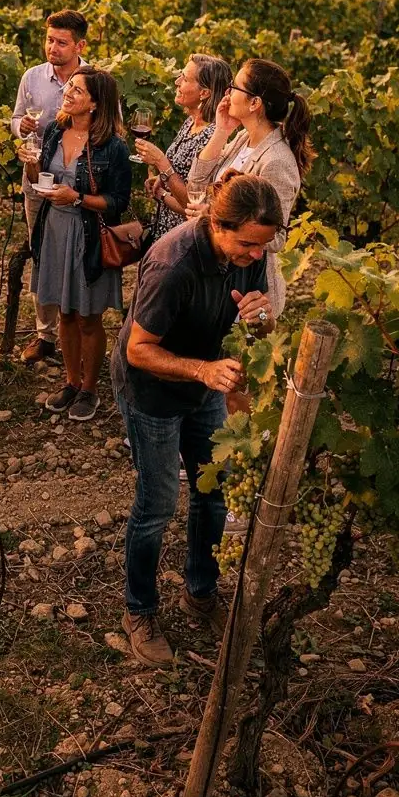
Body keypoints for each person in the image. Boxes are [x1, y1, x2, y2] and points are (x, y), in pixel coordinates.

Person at [111, 173, 282, 666]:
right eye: (248, 245)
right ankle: (138, 611)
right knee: (158, 503)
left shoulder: (251, 251)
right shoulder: (173, 264)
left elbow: (260, 325)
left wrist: (261, 317)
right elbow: (140, 350)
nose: (256, 256)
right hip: (153, 391)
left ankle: (200, 592)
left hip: (205, 382)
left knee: (213, 492)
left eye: (262, 247)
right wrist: (203, 370)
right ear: (216, 224)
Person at [20, 67, 131, 422]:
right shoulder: (54, 130)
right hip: (54, 229)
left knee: (87, 317)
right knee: (64, 312)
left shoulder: (113, 147)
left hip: (87, 236)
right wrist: (33, 166)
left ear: (95, 103)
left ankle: (89, 389)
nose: (67, 93)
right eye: (69, 87)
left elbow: (118, 202)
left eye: (77, 91)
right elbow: (41, 180)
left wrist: (78, 197)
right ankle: (71, 381)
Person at [185, 58, 313, 316]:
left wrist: (212, 217)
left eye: (235, 87)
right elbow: (196, 185)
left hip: (249, 289)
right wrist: (221, 131)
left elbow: (275, 237)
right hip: (223, 272)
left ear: (255, 103)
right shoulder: (244, 138)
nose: (228, 92)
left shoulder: (277, 162)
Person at [11, 10, 88, 364]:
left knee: (76, 258)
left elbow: (106, 129)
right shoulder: (32, 77)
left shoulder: (94, 81)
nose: (52, 48)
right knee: (42, 256)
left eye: (61, 42)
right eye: (49, 40)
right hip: (38, 180)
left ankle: (78, 333)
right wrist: (21, 127)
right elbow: (15, 120)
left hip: (77, 185)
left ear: (80, 45)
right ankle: (46, 336)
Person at [133, 53, 231, 244]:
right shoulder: (190, 123)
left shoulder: (212, 137)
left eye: (185, 78)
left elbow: (193, 204)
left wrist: (161, 165)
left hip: (184, 238)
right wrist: (161, 180)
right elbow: (180, 175)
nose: (177, 81)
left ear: (204, 93)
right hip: (166, 230)